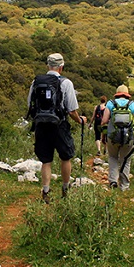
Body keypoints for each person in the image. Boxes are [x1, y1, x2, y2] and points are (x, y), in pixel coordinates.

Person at [26, 52, 86, 203]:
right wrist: (80, 121)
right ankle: (65, 189)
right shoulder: (66, 83)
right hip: (59, 125)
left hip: (41, 125)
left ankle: (46, 191)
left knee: (46, 160)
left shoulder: (36, 82)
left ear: (48, 66)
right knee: (65, 157)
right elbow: (71, 110)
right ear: (61, 67)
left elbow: (29, 105)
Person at [101, 84, 134, 191]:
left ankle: (113, 181)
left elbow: (104, 121)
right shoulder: (132, 104)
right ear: (127, 94)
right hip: (128, 137)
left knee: (113, 157)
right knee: (126, 160)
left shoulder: (110, 103)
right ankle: (124, 186)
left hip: (112, 136)